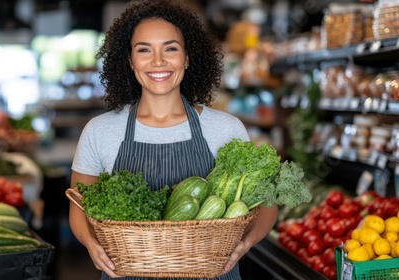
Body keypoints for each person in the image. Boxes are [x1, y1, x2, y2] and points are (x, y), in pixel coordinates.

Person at [68, 0, 278, 279]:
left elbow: (267, 203)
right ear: (130, 60)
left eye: (170, 48)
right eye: (144, 50)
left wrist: (245, 243)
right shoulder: (100, 131)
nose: (158, 61)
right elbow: (78, 207)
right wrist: (91, 244)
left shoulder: (225, 129)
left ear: (187, 57)